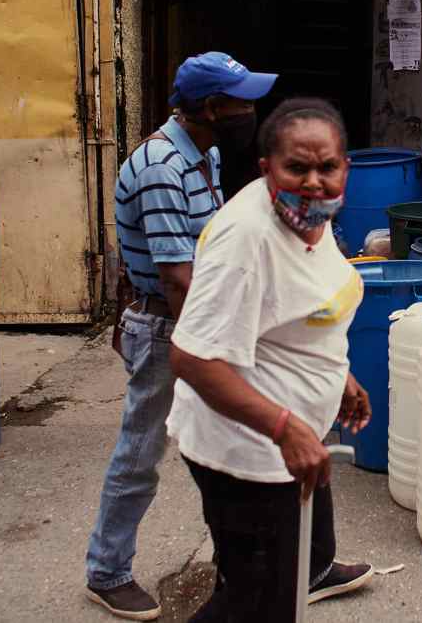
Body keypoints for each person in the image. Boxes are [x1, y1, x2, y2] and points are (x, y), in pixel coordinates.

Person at [86, 52, 277, 621]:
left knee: (225, 447)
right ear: (212, 107)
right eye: (242, 100)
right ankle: (107, 570)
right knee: (142, 451)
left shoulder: (204, 153)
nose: (251, 109)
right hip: (173, 327)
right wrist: (212, 348)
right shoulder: (164, 168)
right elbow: (177, 278)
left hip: (198, 319)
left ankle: (245, 562)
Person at [167, 97, 375, 622]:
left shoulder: (313, 214)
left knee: (307, 560)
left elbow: (295, 312)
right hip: (250, 454)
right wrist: (285, 428)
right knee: (257, 603)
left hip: (293, 441)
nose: (313, 181)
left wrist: (339, 373)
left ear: (345, 166)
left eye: (327, 167)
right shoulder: (248, 238)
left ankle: (299, 576)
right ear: (267, 170)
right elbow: (192, 357)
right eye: (296, 168)